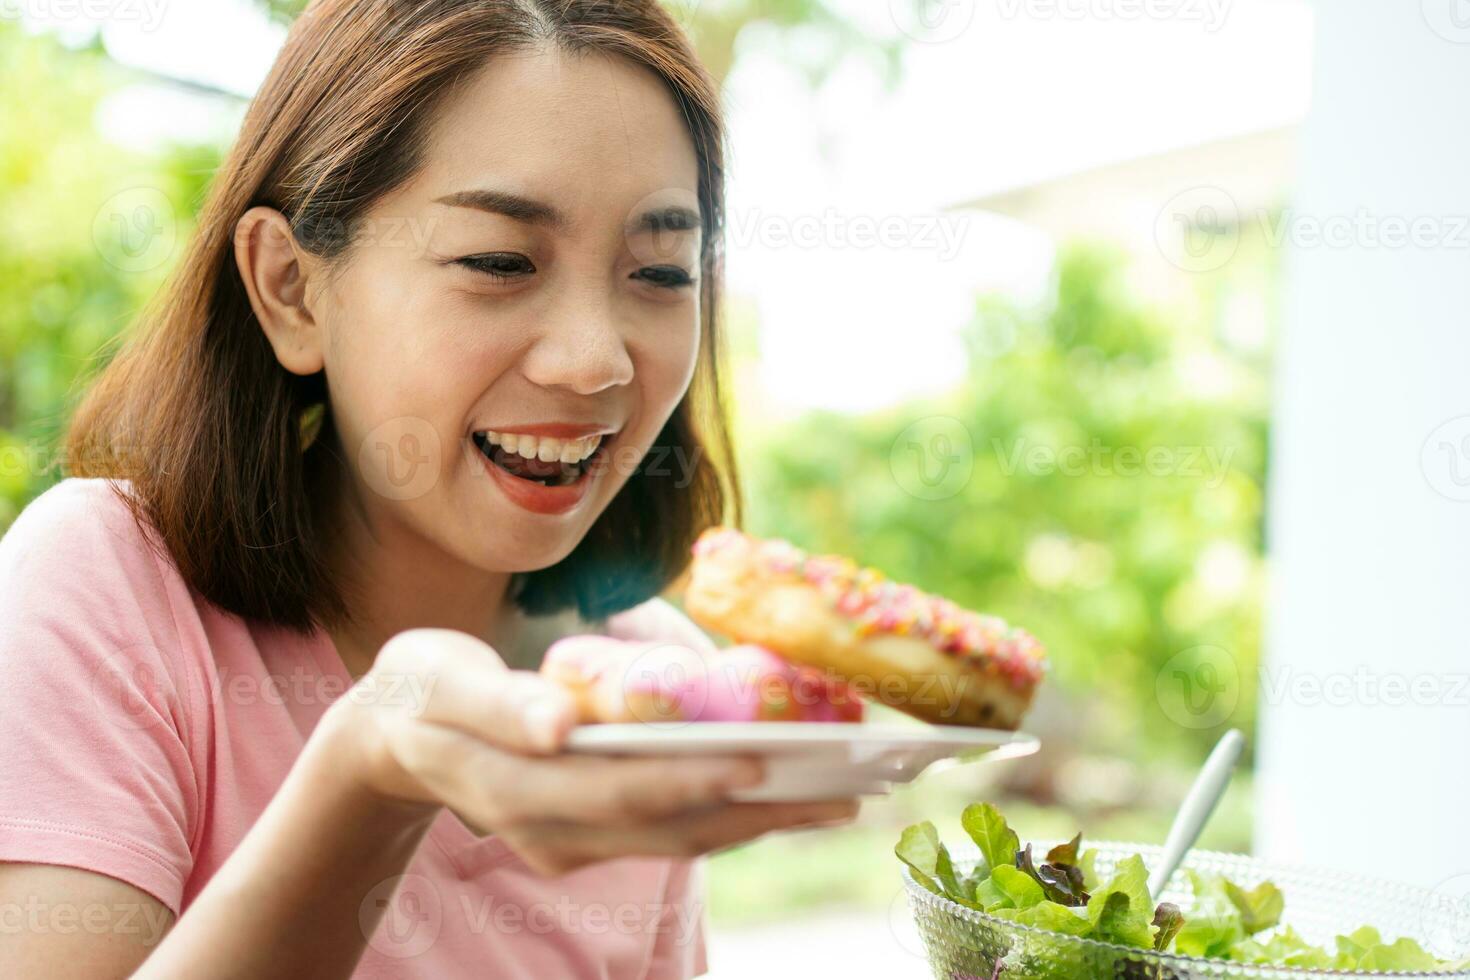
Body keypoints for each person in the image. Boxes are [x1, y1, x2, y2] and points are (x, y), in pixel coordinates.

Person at [0, 1, 859, 976]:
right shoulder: (105, 587)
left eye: (659, 271)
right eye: (498, 261)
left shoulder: (648, 686)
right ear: (291, 286)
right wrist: (372, 769)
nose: (593, 360)